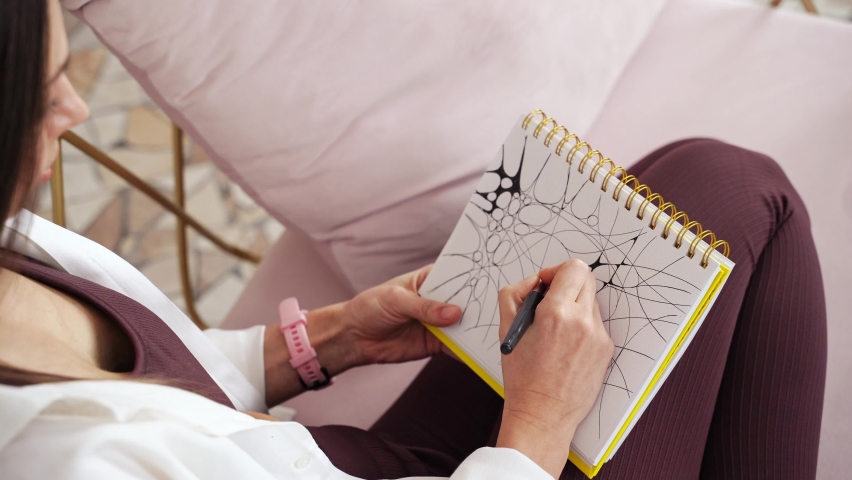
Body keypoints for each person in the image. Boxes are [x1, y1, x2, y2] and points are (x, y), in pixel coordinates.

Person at [0, 1, 826, 479]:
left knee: (712, 184)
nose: (76, 113)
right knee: (757, 212)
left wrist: (326, 339)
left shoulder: (18, 242)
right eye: (48, 93)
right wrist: (536, 424)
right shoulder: (56, 461)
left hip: (341, 459)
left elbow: (158, 396)